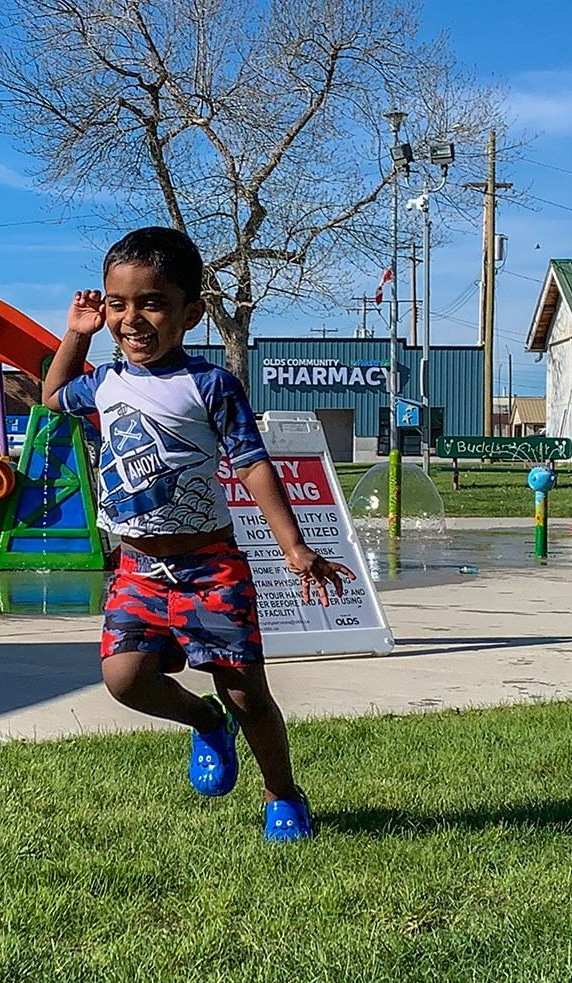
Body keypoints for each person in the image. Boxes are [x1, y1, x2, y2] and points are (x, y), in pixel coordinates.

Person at [42, 226, 354, 842]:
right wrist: (75, 335)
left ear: (190, 310)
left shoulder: (210, 385)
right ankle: (205, 722)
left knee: (245, 691)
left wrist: (294, 546)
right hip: (135, 567)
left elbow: (253, 462)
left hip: (209, 566)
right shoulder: (102, 384)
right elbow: (52, 395)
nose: (131, 318)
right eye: (117, 304)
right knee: (125, 679)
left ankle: (282, 793)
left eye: (151, 302)